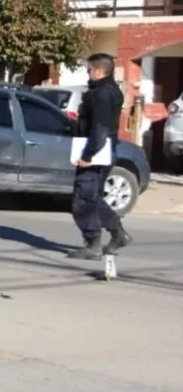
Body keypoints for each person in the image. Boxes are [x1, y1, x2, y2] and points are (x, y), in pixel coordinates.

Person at [68, 53, 132, 260]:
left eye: (89, 69)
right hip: (104, 150)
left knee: (83, 198)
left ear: (97, 70)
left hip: (96, 152)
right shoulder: (110, 91)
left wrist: (88, 155)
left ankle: (92, 244)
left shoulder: (101, 94)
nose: (88, 73)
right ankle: (118, 234)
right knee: (93, 196)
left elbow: (100, 128)